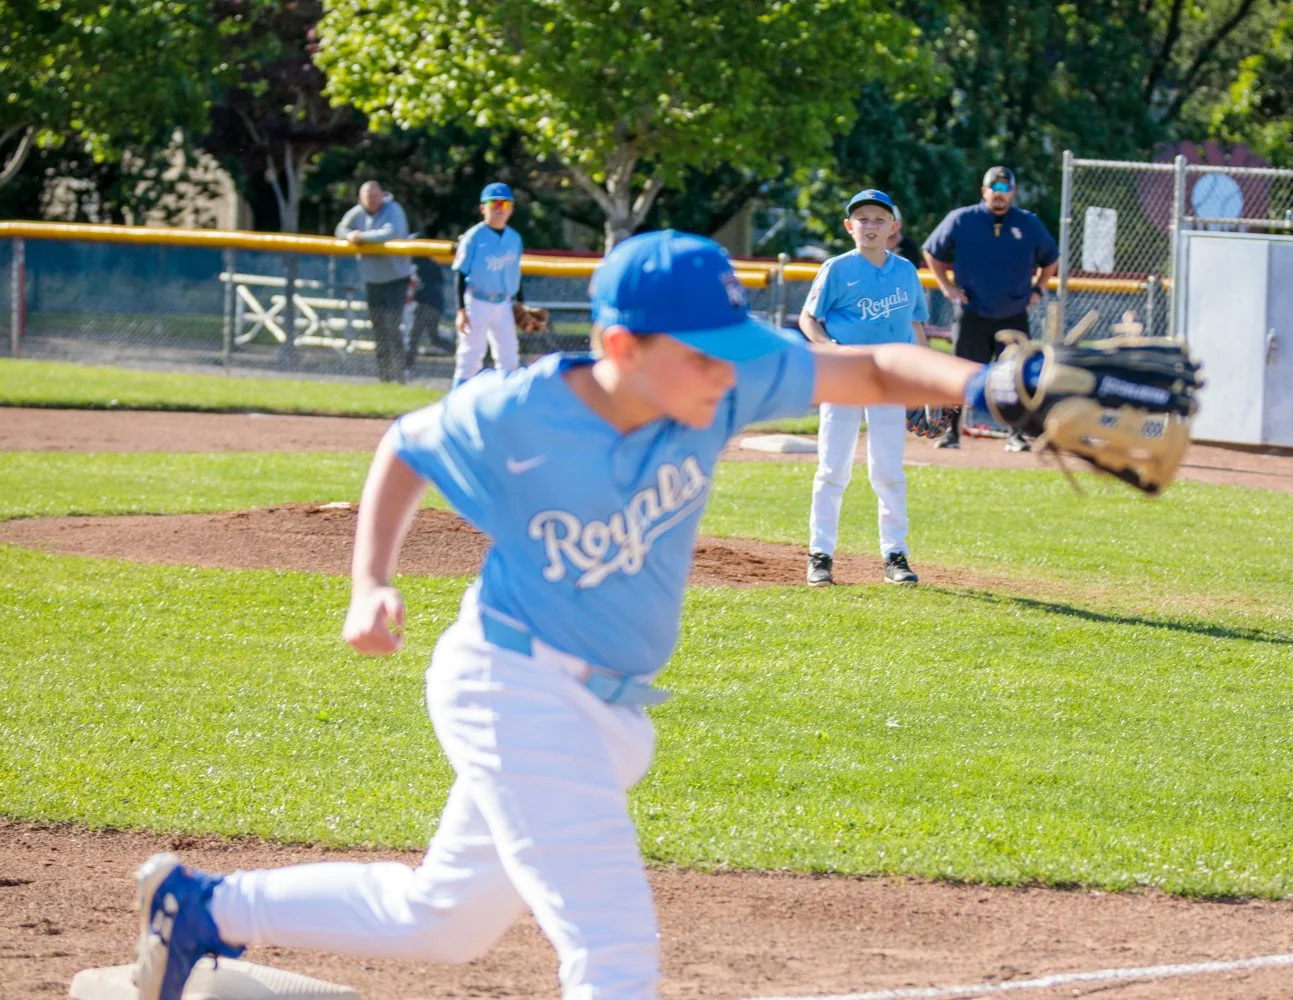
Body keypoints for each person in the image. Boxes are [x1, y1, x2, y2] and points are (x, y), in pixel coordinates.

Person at [127, 230, 1012, 1000]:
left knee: (442, 921)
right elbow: (406, 444)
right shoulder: (521, 412)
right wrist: (370, 582)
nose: (726, 369)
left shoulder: (718, 383)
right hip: (513, 688)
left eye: (731, 347)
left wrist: (997, 386)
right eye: (703, 352)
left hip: (600, 707)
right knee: (614, 954)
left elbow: (874, 365)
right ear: (622, 345)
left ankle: (200, 908)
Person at [800, 189, 929, 588]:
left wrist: (925, 383)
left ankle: (895, 554)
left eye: (878, 219)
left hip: (888, 377)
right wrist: (829, 349)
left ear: (893, 227)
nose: (870, 226)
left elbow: (917, 327)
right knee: (832, 468)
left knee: (888, 470)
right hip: (845, 376)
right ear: (848, 226)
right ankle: (820, 555)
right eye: (862, 219)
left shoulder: (906, 271)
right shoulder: (837, 268)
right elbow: (809, 318)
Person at [922, 165, 1059, 449]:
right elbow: (932, 251)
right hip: (972, 312)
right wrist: (947, 287)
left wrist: (1038, 289)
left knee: (1018, 377)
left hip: (1012, 314)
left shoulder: (1028, 223)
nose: (999, 194)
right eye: (994, 189)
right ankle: (952, 433)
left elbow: (1051, 259)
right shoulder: (962, 219)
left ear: (1012, 192)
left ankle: (1016, 435)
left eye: (1004, 189)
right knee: (961, 373)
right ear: (983, 191)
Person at [335, 181, 414, 383]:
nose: (372, 200)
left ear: (382, 195)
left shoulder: (393, 209)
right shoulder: (358, 212)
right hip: (373, 280)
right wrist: (350, 235)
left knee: (392, 327)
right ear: (361, 199)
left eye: (375, 196)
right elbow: (340, 228)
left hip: (396, 278)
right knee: (379, 329)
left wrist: (361, 237)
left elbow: (391, 232)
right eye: (368, 197)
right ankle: (385, 378)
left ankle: (400, 375)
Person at [451, 182, 524, 389]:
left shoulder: (515, 238)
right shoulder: (473, 237)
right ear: (483, 208)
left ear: (512, 209)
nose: (500, 209)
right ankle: (456, 404)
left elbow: (515, 272)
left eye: (505, 204)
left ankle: (508, 407)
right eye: (495, 203)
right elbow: (460, 273)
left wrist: (520, 303)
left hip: (504, 304)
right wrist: (461, 310)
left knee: (509, 356)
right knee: (470, 355)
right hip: (477, 301)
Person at [404, 254, 455, 376]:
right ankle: (457, 351)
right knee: (433, 337)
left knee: (415, 335)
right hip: (428, 304)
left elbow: (428, 286)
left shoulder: (425, 264)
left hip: (430, 305)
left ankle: (407, 366)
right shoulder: (416, 262)